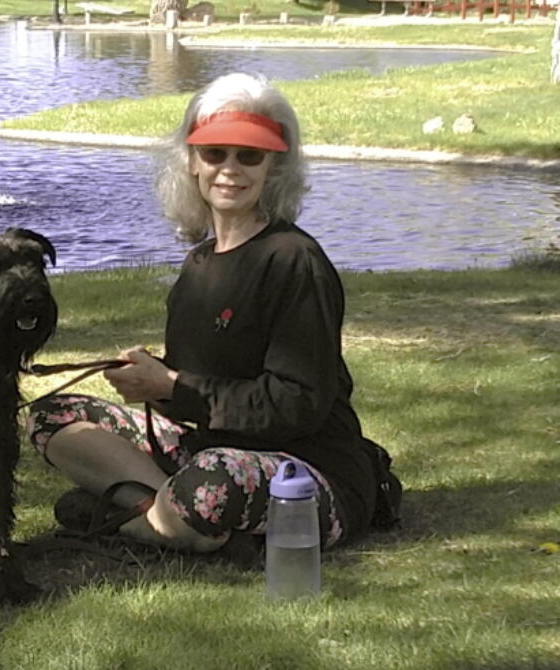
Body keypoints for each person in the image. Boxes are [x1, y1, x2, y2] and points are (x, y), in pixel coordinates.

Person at [27, 72, 377, 555]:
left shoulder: (294, 261)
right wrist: (154, 382)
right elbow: (202, 391)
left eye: (249, 155)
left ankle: (134, 517)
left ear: (273, 166)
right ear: (192, 161)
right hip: (210, 451)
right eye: (215, 153)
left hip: (305, 470)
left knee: (211, 482)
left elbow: (298, 404)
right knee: (54, 415)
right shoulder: (200, 262)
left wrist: (172, 387)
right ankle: (171, 516)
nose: (230, 168)